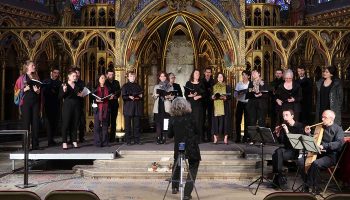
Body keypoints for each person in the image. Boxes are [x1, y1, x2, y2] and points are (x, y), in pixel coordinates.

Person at [298, 110, 344, 194]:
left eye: (325, 117)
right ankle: (308, 186)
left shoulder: (338, 129)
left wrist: (324, 146)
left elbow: (339, 143)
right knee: (301, 161)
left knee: (316, 163)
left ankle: (312, 186)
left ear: (331, 119)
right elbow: (314, 141)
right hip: (318, 153)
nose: (322, 119)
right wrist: (308, 134)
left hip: (330, 156)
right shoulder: (320, 127)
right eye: (322, 117)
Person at [168, 98, 201, 200]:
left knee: (177, 164)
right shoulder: (191, 117)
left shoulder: (172, 119)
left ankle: (174, 187)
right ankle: (186, 194)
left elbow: (169, 135)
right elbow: (197, 131)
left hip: (179, 146)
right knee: (193, 166)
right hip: (191, 146)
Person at [272, 109, 304, 189]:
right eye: (283, 115)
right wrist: (278, 134)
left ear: (292, 116)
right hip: (286, 150)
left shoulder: (299, 126)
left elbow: (296, 142)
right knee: (277, 151)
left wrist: (287, 131)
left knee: (276, 153)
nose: (284, 117)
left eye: (286, 115)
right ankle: (280, 175)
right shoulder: (283, 126)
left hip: (295, 151)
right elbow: (282, 142)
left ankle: (278, 178)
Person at [14, 60, 41, 150]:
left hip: (35, 102)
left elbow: (40, 90)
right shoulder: (21, 78)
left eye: (34, 65)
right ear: (27, 67)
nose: (34, 66)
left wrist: (38, 91)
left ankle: (35, 145)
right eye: (32, 65)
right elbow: (16, 91)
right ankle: (25, 145)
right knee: (26, 123)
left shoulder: (36, 77)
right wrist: (23, 89)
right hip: (25, 102)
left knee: (35, 123)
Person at [59, 69, 82, 149]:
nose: (75, 77)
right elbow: (60, 96)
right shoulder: (64, 85)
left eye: (75, 76)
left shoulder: (77, 86)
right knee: (66, 124)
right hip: (67, 106)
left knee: (75, 124)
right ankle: (64, 142)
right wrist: (64, 90)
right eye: (73, 76)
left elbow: (79, 96)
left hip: (76, 106)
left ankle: (74, 141)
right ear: (69, 76)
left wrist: (81, 95)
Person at [121, 71, 143, 145]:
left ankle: (137, 140)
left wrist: (140, 96)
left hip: (136, 107)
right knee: (128, 126)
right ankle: (128, 141)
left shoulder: (138, 86)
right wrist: (129, 96)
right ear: (128, 77)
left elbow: (141, 95)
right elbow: (123, 96)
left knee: (136, 125)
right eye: (131, 76)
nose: (132, 78)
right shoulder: (125, 86)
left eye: (133, 76)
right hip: (128, 107)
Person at [153, 71, 174, 144]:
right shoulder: (156, 86)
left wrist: (168, 96)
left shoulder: (170, 86)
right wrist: (157, 95)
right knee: (158, 123)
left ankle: (164, 137)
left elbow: (172, 96)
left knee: (165, 122)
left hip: (166, 106)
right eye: (161, 76)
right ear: (159, 78)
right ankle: (158, 138)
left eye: (164, 76)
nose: (163, 78)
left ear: (166, 77)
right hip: (158, 106)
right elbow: (154, 96)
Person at [184, 69, 205, 143]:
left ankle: (198, 138)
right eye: (196, 73)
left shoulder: (201, 83)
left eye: (198, 74)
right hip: (190, 104)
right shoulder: (188, 83)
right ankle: (190, 138)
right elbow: (186, 94)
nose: (197, 75)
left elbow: (204, 94)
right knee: (190, 121)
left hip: (199, 105)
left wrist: (199, 96)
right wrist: (191, 95)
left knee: (198, 121)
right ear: (193, 74)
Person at [211, 73, 232, 145]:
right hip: (216, 106)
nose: (220, 78)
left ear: (223, 78)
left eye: (221, 77)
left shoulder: (227, 86)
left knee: (225, 122)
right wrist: (212, 97)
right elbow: (211, 96)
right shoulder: (213, 86)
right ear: (217, 78)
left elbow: (230, 96)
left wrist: (226, 97)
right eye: (219, 77)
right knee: (215, 122)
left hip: (224, 106)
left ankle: (225, 138)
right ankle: (215, 138)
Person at [42, 67, 62, 147]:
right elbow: (44, 92)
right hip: (48, 104)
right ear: (51, 73)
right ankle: (49, 140)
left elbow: (60, 93)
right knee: (49, 122)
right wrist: (51, 91)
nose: (56, 74)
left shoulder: (60, 82)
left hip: (56, 104)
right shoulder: (45, 81)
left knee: (55, 122)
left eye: (57, 73)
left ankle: (52, 139)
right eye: (55, 72)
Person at [92, 74, 112, 147]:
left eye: (104, 78)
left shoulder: (108, 88)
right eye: (102, 78)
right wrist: (96, 100)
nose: (103, 79)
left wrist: (111, 97)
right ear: (98, 79)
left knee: (105, 126)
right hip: (97, 108)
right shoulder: (95, 88)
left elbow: (110, 96)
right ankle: (98, 142)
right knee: (97, 126)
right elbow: (92, 98)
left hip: (106, 108)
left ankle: (105, 142)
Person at [234, 70, 250, 143]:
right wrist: (237, 94)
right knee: (238, 120)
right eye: (242, 75)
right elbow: (235, 94)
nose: (243, 76)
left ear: (248, 76)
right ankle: (238, 137)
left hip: (248, 103)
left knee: (247, 121)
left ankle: (246, 137)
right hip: (240, 103)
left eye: (245, 75)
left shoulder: (251, 84)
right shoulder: (238, 84)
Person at [105, 69, 121, 143]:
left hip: (114, 103)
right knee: (106, 121)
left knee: (113, 121)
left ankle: (112, 138)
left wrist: (114, 96)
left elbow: (119, 92)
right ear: (107, 75)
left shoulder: (116, 82)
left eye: (112, 74)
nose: (111, 76)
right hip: (107, 104)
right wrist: (109, 96)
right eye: (110, 74)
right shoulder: (104, 83)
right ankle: (106, 137)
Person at [202, 67, 214, 142]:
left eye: (209, 72)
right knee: (202, 119)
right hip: (202, 102)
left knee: (210, 119)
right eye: (207, 72)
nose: (208, 74)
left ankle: (209, 136)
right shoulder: (201, 81)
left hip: (210, 102)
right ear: (204, 73)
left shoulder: (213, 81)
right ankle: (202, 136)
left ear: (211, 73)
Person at [75, 67, 86, 143]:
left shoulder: (82, 82)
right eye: (76, 73)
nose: (77, 74)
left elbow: (84, 90)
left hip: (80, 104)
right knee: (74, 122)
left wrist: (82, 93)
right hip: (73, 104)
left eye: (78, 73)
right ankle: (73, 138)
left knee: (82, 122)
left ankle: (81, 137)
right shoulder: (70, 82)